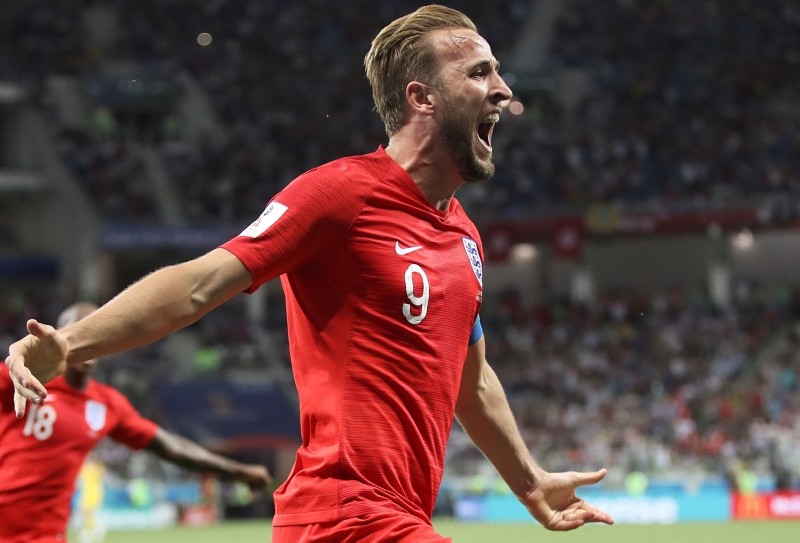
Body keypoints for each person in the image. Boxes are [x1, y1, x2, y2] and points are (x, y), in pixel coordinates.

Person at [6, 5, 614, 541]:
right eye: (479, 72)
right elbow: (197, 284)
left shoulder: (464, 235)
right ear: (421, 97)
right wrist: (70, 346)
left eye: (497, 71)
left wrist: (529, 482)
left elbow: (472, 382)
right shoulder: (341, 193)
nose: (503, 90)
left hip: (399, 517)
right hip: (342, 514)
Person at [0, 302, 272, 543]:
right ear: (56, 336)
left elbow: (169, 446)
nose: (84, 337)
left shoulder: (107, 404)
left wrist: (238, 472)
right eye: (76, 329)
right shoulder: (20, 377)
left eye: (94, 330)